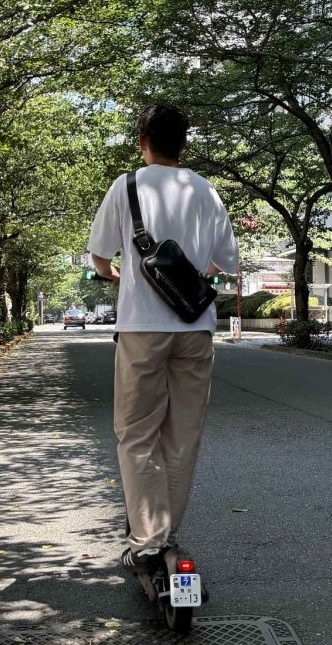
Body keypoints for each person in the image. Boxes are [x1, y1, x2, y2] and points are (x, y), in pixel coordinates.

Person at [89, 104, 240, 572]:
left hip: (141, 327)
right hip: (195, 328)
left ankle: (149, 539)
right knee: (183, 434)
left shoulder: (126, 186)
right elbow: (226, 261)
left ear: (142, 142)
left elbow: (99, 256)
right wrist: (192, 277)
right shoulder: (205, 189)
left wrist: (115, 275)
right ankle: (168, 534)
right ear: (184, 143)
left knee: (137, 433)